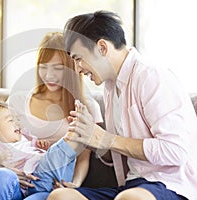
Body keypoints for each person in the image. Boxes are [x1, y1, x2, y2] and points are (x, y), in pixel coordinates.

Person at [48, 10, 197, 200]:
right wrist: (90, 137)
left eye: (78, 58)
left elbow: (176, 151)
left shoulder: (151, 76)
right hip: (130, 185)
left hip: (171, 185)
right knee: (60, 196)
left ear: (102, 47)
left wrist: (107, 139)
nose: (78, 69)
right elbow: (117, 152)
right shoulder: (110, 87)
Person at [0, 32, 104, 200]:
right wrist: (8, 169)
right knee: (2, 176)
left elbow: (84, 157)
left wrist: (73, 185)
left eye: (58, 68)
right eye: (43, 67)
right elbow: (2, 143)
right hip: (16, 182)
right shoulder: (18, 101)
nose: (49, 75)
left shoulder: (87, 107)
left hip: (48, 189)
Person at [0, 100, 86, 199]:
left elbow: (40, 156)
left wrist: (42, 147)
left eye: (17, 119)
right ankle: (73, 136)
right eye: (10, 120)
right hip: (18, 189)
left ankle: (74, 136)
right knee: (2, 174)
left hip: (43, 182)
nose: (17, 122)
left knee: (52, 158)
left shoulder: (26, 137)